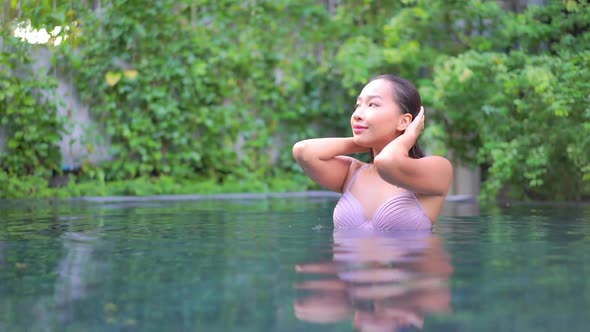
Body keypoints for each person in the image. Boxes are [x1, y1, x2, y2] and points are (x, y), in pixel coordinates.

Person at [292, 74, 453, 230]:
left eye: (373, 104)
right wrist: (361, 143)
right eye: (358, 105)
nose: (357, 115)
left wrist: (410, 135)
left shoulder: (438, 169)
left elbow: (386, 163)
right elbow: (304, 151)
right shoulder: (352, 173)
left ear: (404, 121)